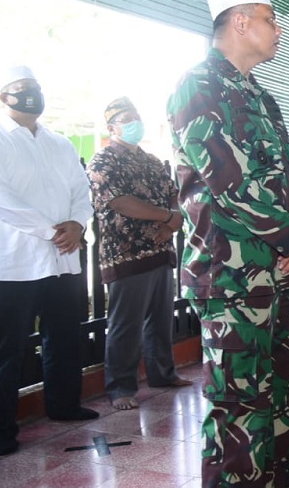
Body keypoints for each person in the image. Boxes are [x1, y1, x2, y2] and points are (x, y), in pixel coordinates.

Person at [168, 0, 289, 487]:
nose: (278, 30)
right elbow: (230, 182)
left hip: (275, 273)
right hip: (230, 277)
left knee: (285, 398)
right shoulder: (199, 86)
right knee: (239, 409)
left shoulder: (261, 96)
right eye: (270, 20)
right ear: (239, 22)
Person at [0, 65, 99, 457]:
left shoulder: (60, 143)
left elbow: (81, 189)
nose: (31, 94)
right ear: (3, 95)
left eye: (35, 87)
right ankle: (0, 430)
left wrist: (77, 223)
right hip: (13, 265)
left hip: (61, 261)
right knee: (6, 351)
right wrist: (52, 231)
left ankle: (64, 405)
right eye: (21, 88)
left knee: (64, 339)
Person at [86, 97, 192, 411]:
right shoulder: (103, 161)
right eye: (126, 119)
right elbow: (119, 202)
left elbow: (174, 195)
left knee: (161, 318)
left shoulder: (152, 161)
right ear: (112, 128)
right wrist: (167, 217)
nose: (135, 124)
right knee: (126, 324)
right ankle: (120, 387)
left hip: (160, 247)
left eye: (137, 117)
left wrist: (172, 222)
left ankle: (163, 374)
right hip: (126, 253)